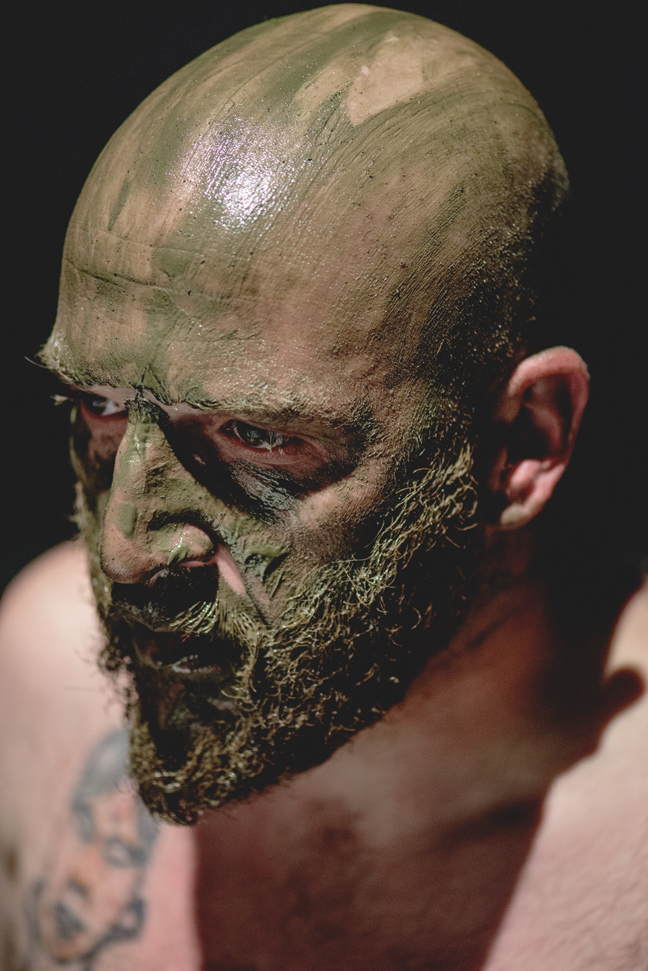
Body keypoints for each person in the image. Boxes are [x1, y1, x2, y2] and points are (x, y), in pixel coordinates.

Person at [1, 5, 646, 969]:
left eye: (257, 437)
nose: (127, 553)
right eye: (98, 405)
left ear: (523, 441)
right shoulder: (39, 678)